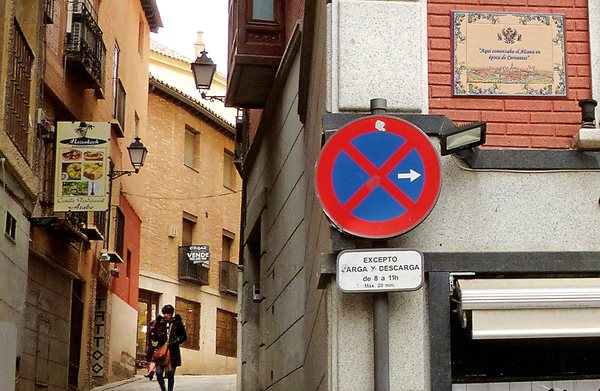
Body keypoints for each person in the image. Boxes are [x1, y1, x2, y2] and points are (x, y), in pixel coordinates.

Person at [151, 304, 187, 391]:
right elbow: (155, 338)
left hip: (173, 352)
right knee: (159, 373)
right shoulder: (160, 323)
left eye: (168, 313)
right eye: (164, 313)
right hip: (162, 352)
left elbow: (184, 336)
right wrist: (154, 331)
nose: (166, 315)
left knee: (170, 374)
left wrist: (174, 342)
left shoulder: (177, 323)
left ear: (171, 314)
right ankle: (163, 389)